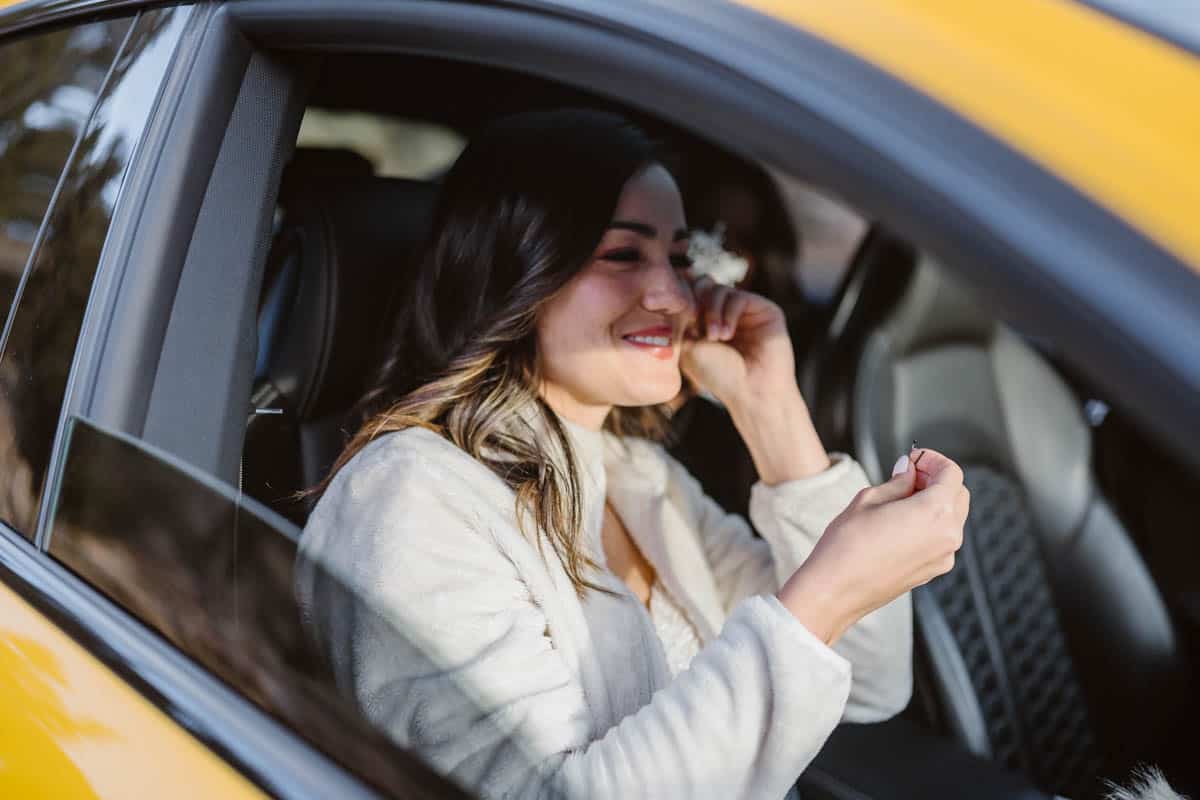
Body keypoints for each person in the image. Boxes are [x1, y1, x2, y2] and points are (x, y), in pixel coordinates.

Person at [295, 109, 968, 800]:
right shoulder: (410, 501)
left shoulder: (637, 477)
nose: (673, 296)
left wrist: (771, 409)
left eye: (680, 258)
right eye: (623, 255)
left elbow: (870, 680)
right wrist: (823, 596)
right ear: (515, 274)